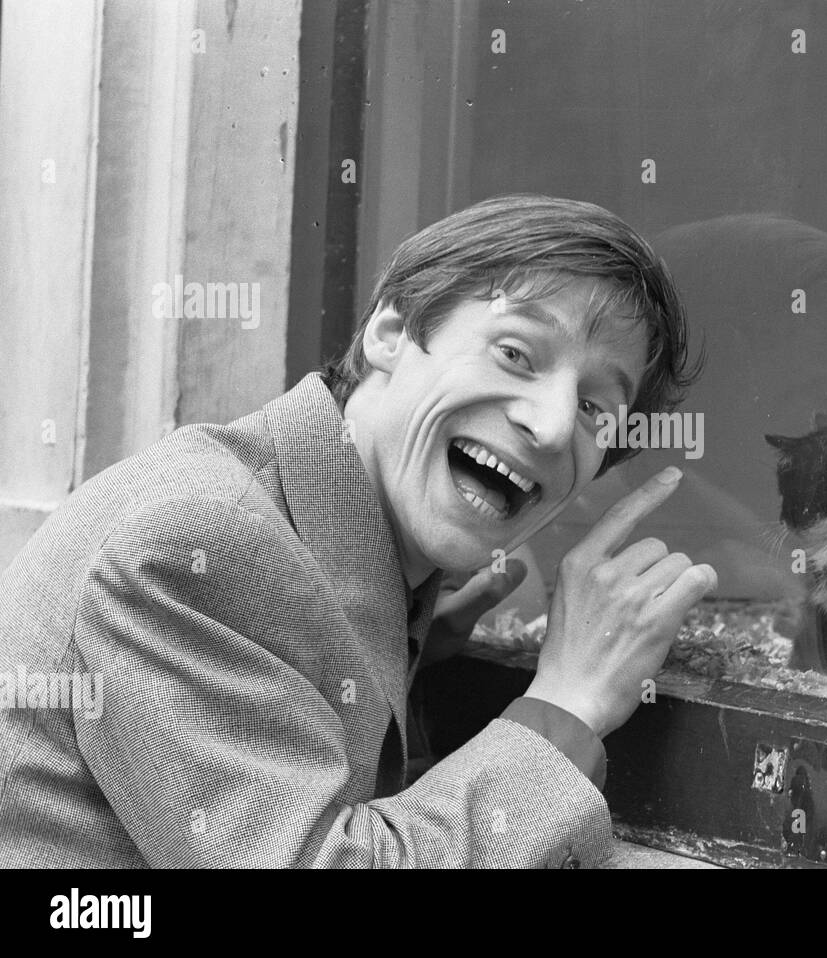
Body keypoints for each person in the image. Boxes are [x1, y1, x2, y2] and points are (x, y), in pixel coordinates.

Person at [0, 194, 716, 867]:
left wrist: (400, 646)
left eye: (597, 409)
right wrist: (566, 704)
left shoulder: (300, 526)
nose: (555, 424)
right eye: (516, 354)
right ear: (390, 332)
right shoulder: (198, 543)